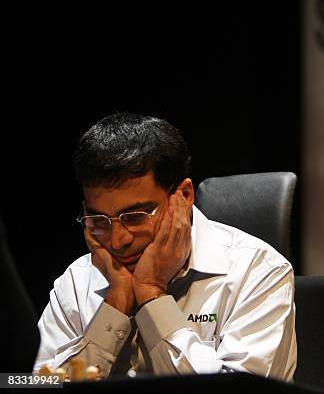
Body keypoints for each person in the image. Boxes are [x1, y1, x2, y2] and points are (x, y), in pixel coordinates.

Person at [33, 113, 297, 380]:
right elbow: (30, 385)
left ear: (183, 196)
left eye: (135, 217)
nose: (118, 240)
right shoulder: (77, 280)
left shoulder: (258, 270)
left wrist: (150, 294)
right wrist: (114, 306)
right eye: (99, 220)